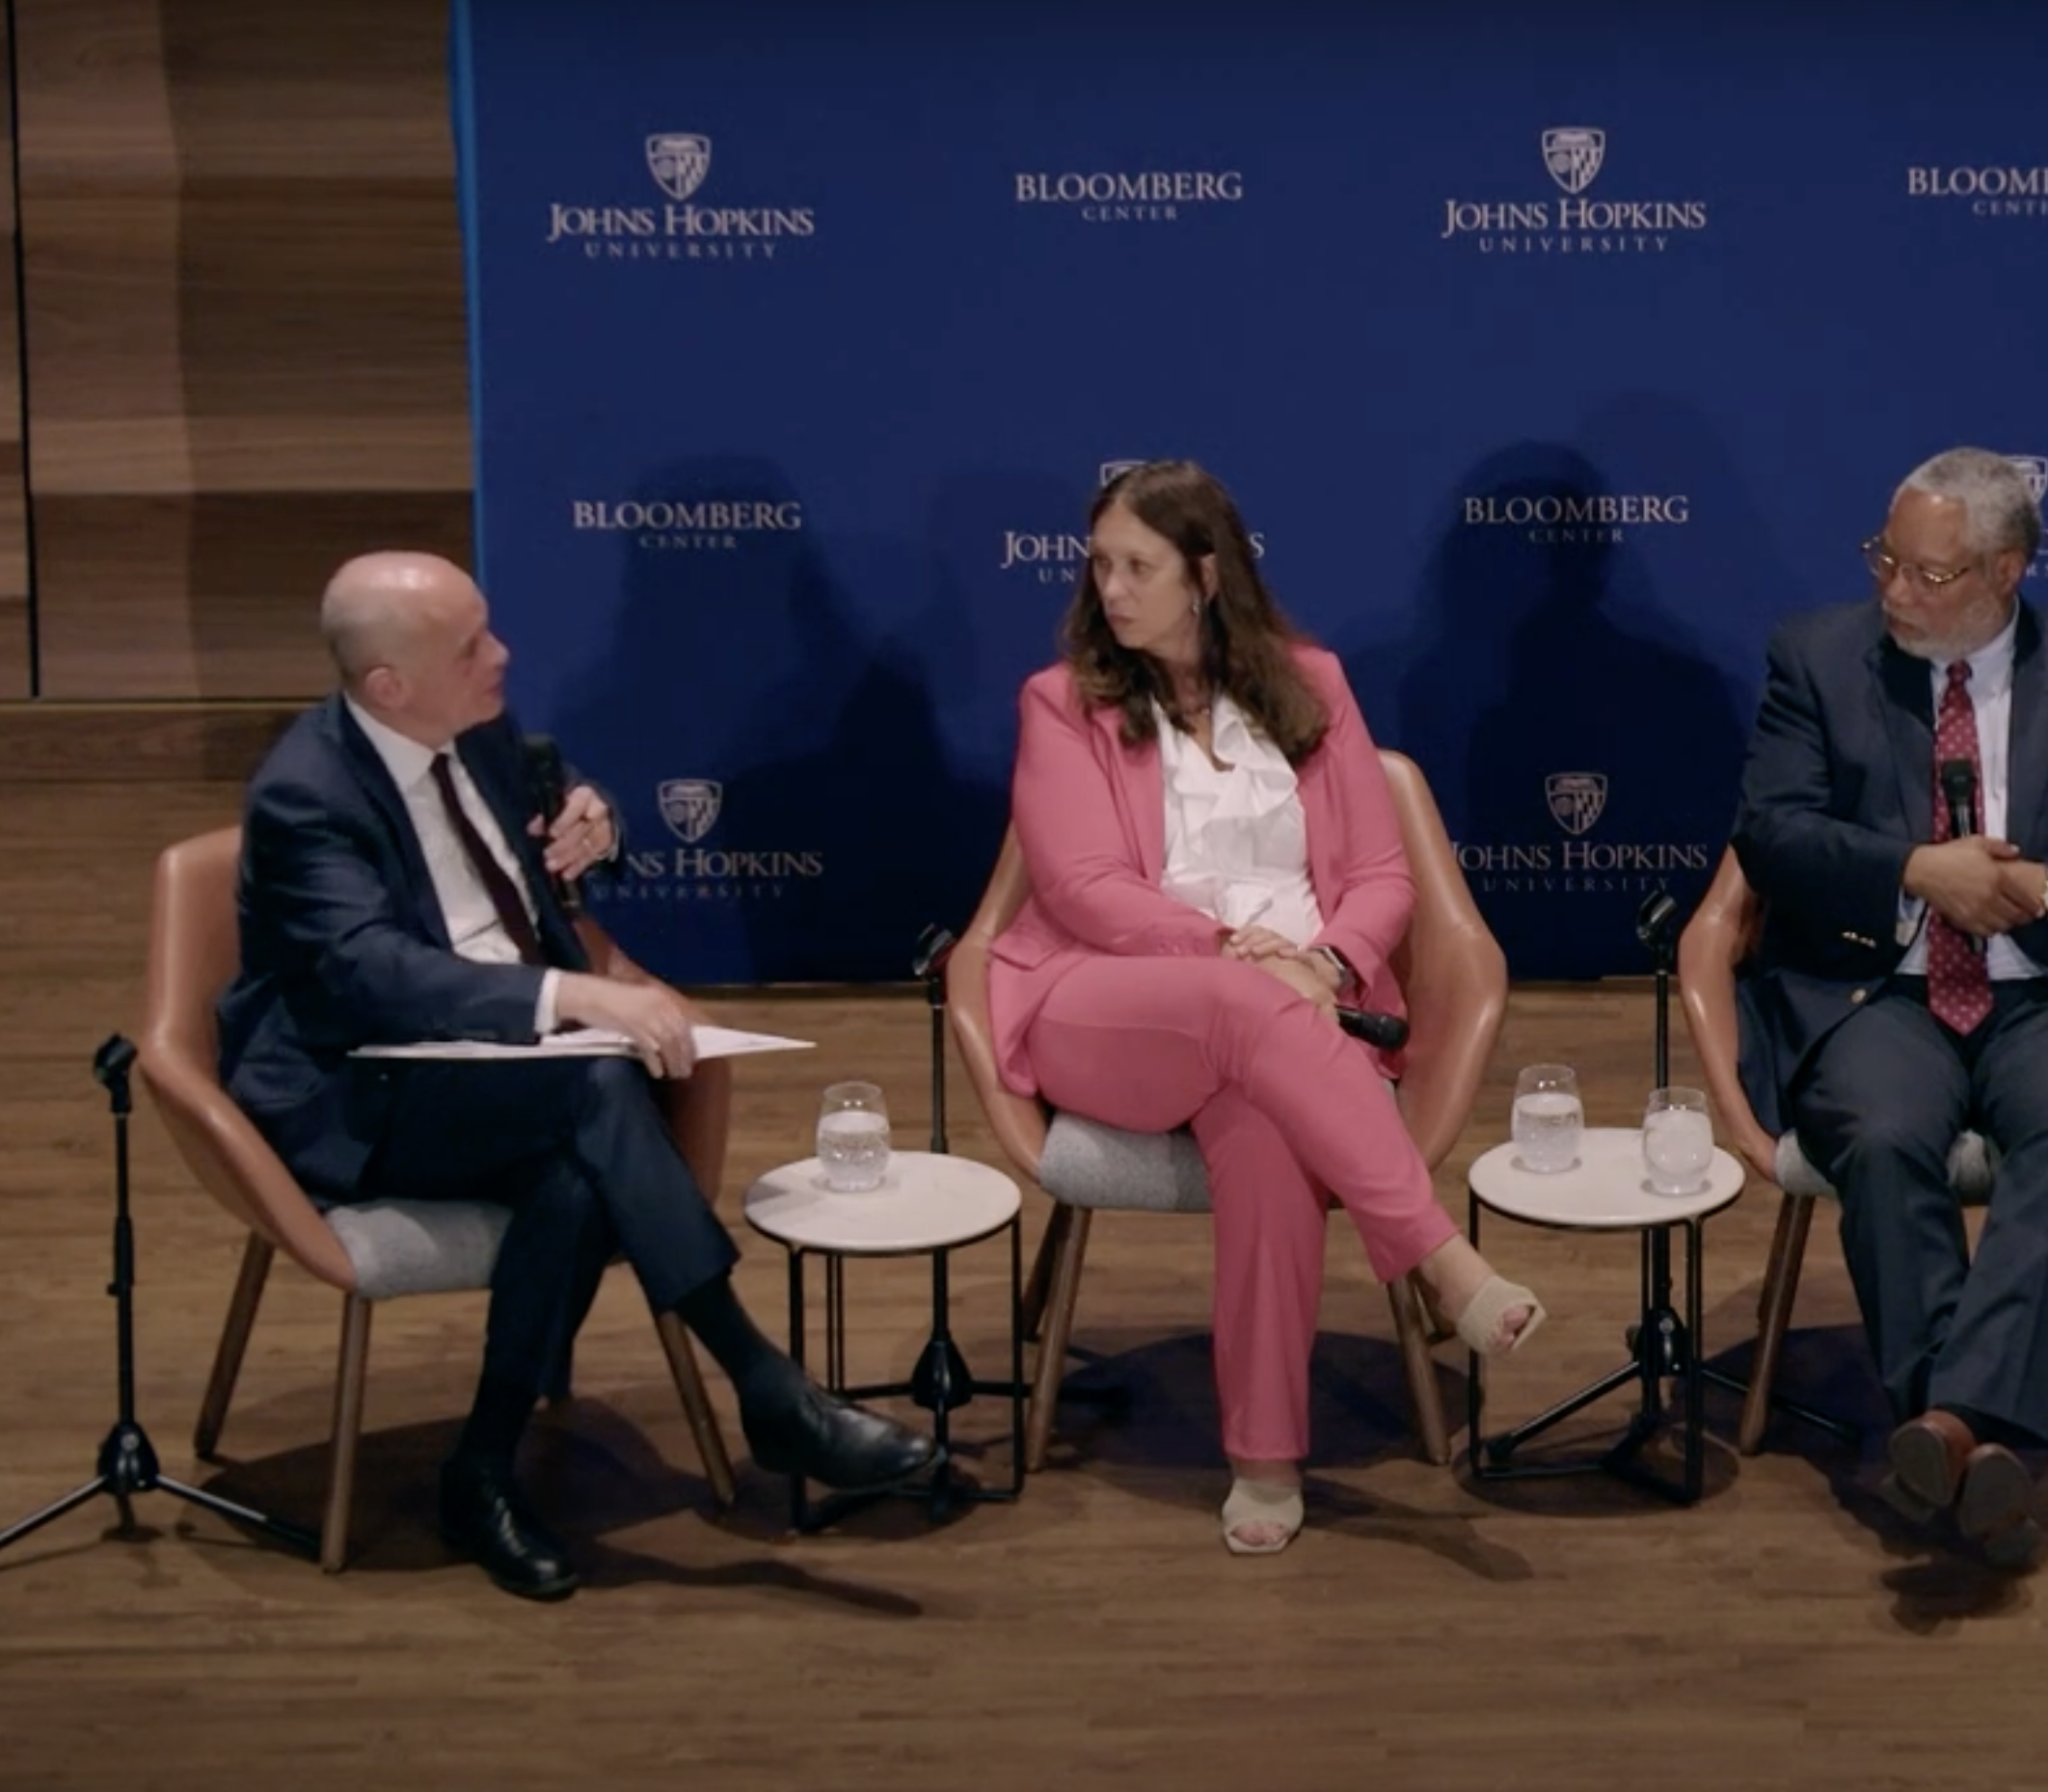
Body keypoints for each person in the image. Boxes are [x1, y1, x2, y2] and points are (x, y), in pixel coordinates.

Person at [220, 551, 942, 1602]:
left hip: (508, 1070)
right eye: (471, 645)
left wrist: (594, 829)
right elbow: (370, 976)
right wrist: (578, 1003)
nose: (503, 655)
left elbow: (545, 873)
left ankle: (482, 1470)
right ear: (389, 687)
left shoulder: (484, 730)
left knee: (574, 1167)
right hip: (361, 1090)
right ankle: (765, 1386)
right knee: (594, 1090)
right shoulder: (304, 795)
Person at [987, 461, 1544, 1556]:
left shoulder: (1312, 685)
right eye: (1099, 564)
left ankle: (1264, 1456)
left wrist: (1328, 966)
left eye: (1137, 566)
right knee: (1242, 1015)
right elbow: (1085, 888)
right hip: (1103, 1007)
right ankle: (1439, 1258)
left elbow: (1382, 876)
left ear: (1204, 574)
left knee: (1265, 1130)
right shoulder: (1062, 704)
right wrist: (1235, 957)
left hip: (1297, 1017)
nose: (1111, 588)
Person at [1731, 447, 2048, 1564]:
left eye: (1928, 574)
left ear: (2005, 571)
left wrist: (2043, 888)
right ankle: (1983, 1424)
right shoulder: (1814, 657)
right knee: (1885, 1130)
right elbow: (1773, 832)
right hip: (1880, 985)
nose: (1894, 591)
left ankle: (1946, 1423)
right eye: (1885, 561)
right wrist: (1916, 867)